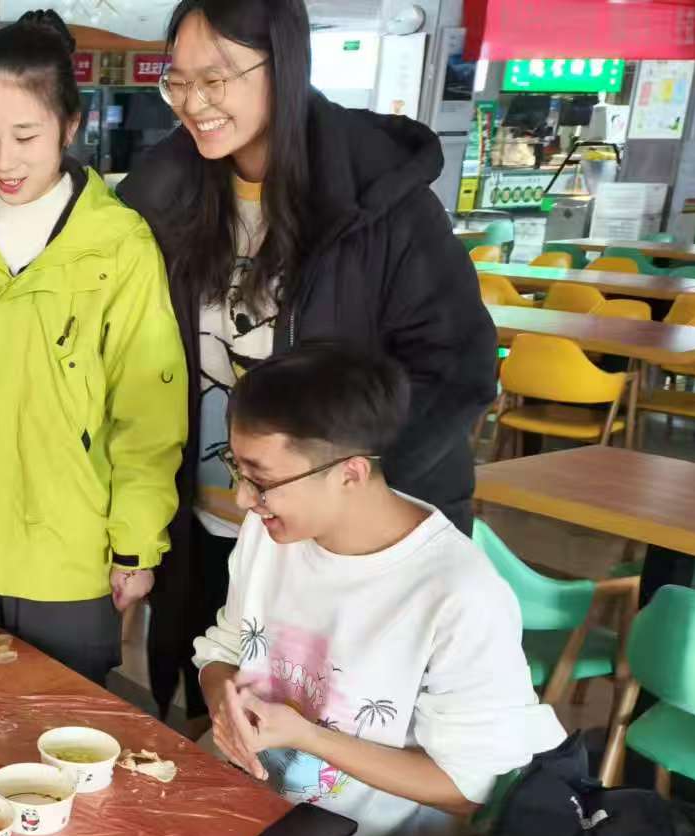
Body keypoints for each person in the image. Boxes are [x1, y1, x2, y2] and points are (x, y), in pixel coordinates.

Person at [117, 0, 497, 726]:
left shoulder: (377, 199)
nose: (194, 103)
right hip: (212, 524)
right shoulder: (164, 198)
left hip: (345, 548)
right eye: (178, 81)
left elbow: (457, 365)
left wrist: (342, 494)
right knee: (220, 716)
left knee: (338, 745)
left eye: (217, 78)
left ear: (284, 65)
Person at [194, 345, 564, 836]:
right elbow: (224, 651)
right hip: (253, 814)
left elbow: (469, 788)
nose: (242, 500)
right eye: (237, 468)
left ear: (350, 473)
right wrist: (226, 708)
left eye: (262, 480)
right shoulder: (269, 533)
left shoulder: (457, 593)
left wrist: (307, 737)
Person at [0, 10, 186, 686]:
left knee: (61, 734)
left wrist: (136, 544)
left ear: (69, 126)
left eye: (25, 136)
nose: (3, 160)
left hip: (68, 559)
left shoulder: (118, 247)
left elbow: (147, 412)